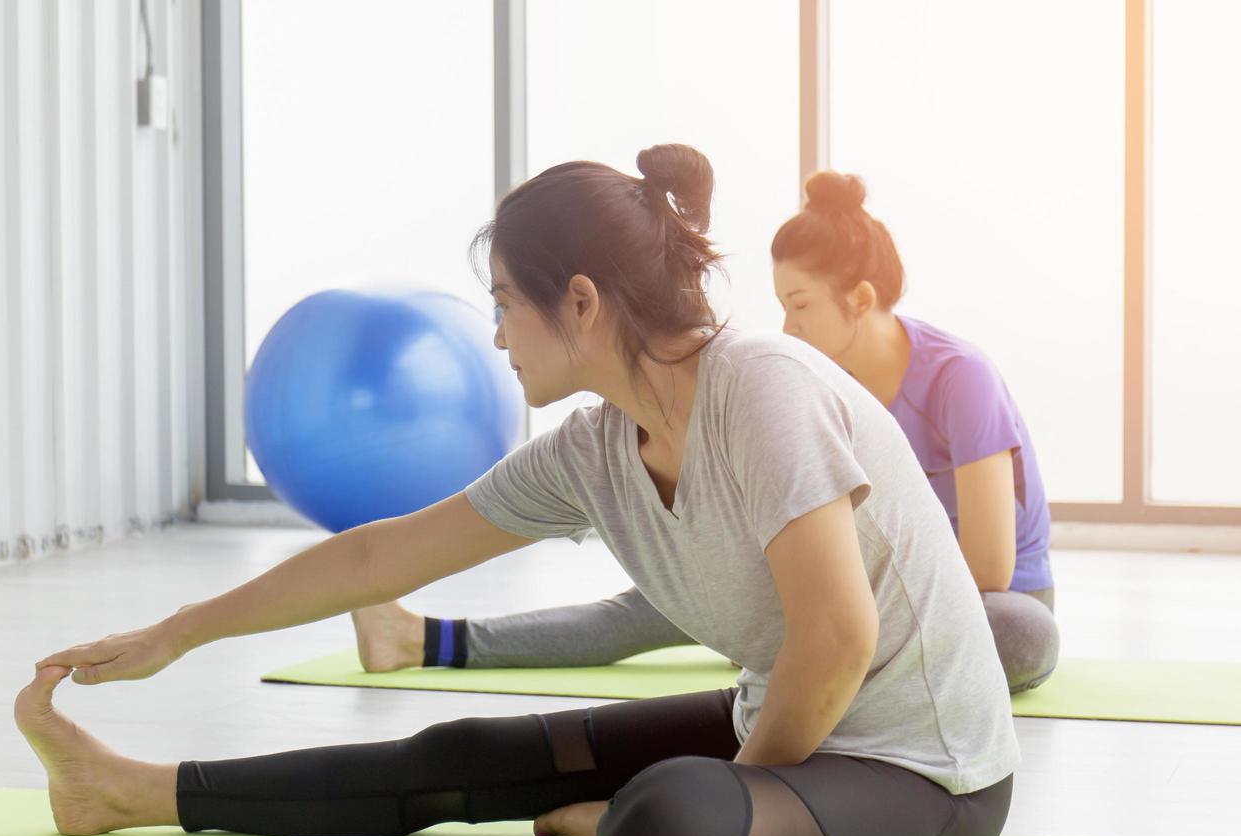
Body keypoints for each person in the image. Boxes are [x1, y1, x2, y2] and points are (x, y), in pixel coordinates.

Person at [19, 146, 1019, 836]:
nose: (496, 336)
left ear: (579, 301)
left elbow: (839, 639)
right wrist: (177, 632)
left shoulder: (760, 389)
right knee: (465, 749)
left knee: (667, 827)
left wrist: (739, 789)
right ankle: (129, 790)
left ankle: (635, 815)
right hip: (793, 725)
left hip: (924, 772)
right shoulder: (589, 451)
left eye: (505, 305)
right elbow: (380, 555)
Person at [353, 170, 1060, 695]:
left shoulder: (956, 378)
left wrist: (822, 609)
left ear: (863, 300)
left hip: (968, 603)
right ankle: (427, 638)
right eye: (781, 304)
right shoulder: (797, 381)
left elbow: (990, 568)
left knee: (1022, 637)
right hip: (836, 585)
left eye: (803, 304)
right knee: (655, 604)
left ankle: (808, 652)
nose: (787, 326)